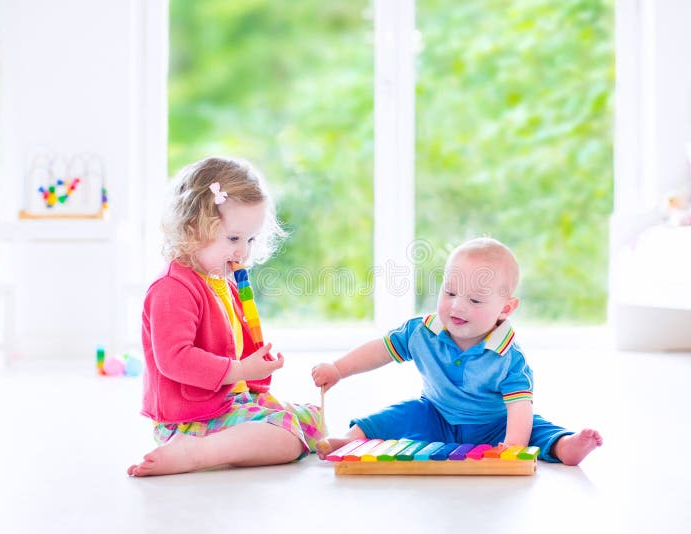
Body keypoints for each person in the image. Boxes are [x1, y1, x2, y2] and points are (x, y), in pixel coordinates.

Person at [311, 237, 603, 466]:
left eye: (475, 300)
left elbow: (519, 408)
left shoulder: (509, 358)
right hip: (435, 414)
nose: (457, 306)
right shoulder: (422, 332)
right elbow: (380, 350)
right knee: (399, 415)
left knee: (534, 430)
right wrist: (338, 369)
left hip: (494, 425)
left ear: (505, 309)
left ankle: (565, 446)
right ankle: (350, 440)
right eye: (449, 293)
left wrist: (513, 447)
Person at [128, 156, 324, 477]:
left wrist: (254, 369)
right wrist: (240, 369)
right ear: (193, 228)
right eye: (233, 239)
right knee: (288, 440)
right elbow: (175, 360)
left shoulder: (220, 279)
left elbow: (231, 343)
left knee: (317, 422)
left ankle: (236, 438)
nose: (243, 253)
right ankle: (194, 453)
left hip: (226, 402)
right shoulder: (171, 288)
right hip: (190, 419)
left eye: (250, 240)